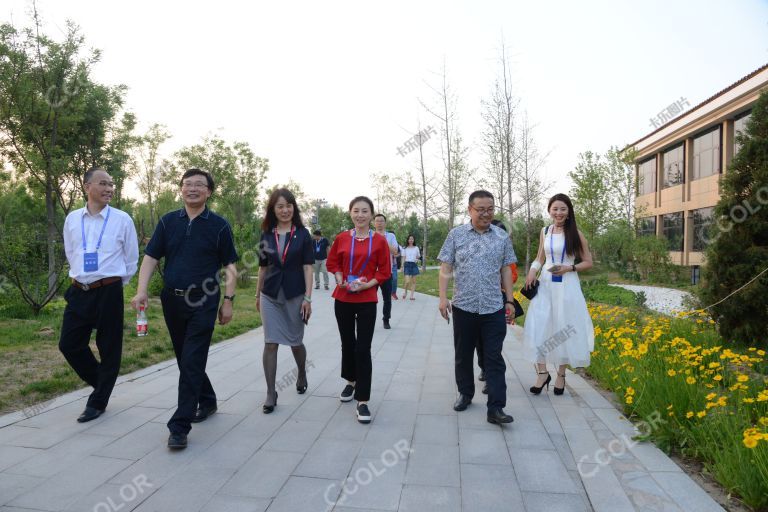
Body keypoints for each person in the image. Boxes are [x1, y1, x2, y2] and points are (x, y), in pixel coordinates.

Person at [131, 168, 238, 450]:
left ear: (209, 192)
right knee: (184, 357)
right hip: (172, 300)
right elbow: (151, 258)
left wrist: (228, 301)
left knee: (191, 360)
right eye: (187, 184)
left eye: (199, 185)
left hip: (204, 300)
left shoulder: (219, 225)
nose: (192, 189)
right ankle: (209, 399)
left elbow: (230, 267)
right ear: (181, 189)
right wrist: (141, 290)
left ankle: (179, 426)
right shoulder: (168, 222)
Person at [59, 168, 139, 423]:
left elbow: (131, 258)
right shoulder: (72, 218)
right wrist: (82, 277)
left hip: (109, 290)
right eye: (103, 183)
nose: (109, 189)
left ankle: (98, 401)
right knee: (69, 344)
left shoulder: (122, 219)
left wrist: (114, 283)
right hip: (79, 290)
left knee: (109, 347)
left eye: (111, 184)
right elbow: (71, 252)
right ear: (86, 186)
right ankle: (102, 384)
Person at [438, 190, 516, 425]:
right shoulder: (456, 235)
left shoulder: (501, 236)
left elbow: (505, 270)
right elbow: (446, 267)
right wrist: (442, 298)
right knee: (463, 355)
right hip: (464, 306)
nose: (486, 213)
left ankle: (496, 407)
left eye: (490, 209)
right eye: (481, 209)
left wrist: (510, 300)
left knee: (494, 357)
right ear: (470, 209)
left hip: (493, 307)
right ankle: (465, 394)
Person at [326, 196, 391, 424]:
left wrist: (368, 285)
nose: (360, 215)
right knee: (347, 343)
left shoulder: (380, 241)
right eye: (356, 210)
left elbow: (384, 271)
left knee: (363, 348)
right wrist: (339, 276)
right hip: (343, 297)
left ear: (372, 215)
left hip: (366, 299)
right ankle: (351, 381)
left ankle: (363, 400)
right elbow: (332, 262)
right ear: (350, 213)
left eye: (365, 211)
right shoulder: (342, 238)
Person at [523, 193, 594, 396]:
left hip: (567, 284)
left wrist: (569, 268)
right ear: (549, 210)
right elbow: (540, 257)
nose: (559, 212)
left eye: (563, 209)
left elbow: (588, 262)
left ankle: (561, 375)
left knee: (562, 326)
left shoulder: (576, 234)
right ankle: (542, 373)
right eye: (555, 209)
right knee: (540, 324)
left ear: (569, 211)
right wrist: (532, 271)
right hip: (545, 283)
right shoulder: (545, 231)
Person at [256, 188, 314, 413]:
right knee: (270, 342)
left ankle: (301, 372)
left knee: (295, 341)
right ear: (273, 209)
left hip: (295, 294)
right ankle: (271, 392)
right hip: (270, 294)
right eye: (279, 206)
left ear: (294, 208)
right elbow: (262, 267)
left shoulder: (302, 234)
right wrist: (257, 294)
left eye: (288, 205)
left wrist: (308, 298)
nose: (284, 210)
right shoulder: (266, 234)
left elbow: (308, 267)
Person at [476, 219, 519, 394]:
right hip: (478, 300)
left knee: (494, 341)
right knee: (479, 340)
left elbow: (513, 275)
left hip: (498, 298)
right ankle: (484, 368)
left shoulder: (507, 252)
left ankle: (491, 378)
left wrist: (500, 280)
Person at [373, 214, 399, 329]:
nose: (379, 223)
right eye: (377, 221)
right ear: (374, 223)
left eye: (381, 221)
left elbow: (395, 252)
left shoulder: (391, 236)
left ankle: (386, 319)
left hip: (386, 271)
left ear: (385, 223)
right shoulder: (369, 235)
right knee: (370, 298)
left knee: (387, 299)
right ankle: (369, 319)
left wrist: (382, 240)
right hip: (372, 272)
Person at [401, 234, 420, 300]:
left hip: (414, 265)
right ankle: (405, 292)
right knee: (407, 281)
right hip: (407, 264)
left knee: (414, 281)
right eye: (410, 239)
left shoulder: (416, 248)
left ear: (413, 240)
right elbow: (403, 257)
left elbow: (418, 256)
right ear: (408, 240)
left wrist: (417, 260)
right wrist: (402, 266)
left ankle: (412, 296)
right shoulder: (405, 248)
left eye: (412, 239)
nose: (411, 240)